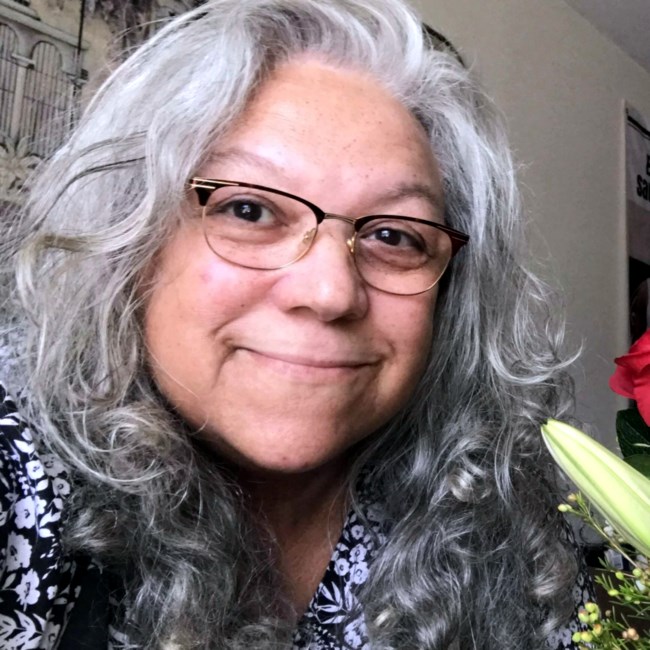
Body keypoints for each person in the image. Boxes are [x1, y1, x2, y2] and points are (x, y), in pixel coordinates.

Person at [0, 0, 591, 647]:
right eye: (249, 210)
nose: (330, 292)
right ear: (131, 242)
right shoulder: (22, 483)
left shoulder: (506, 533)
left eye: (395, 235)